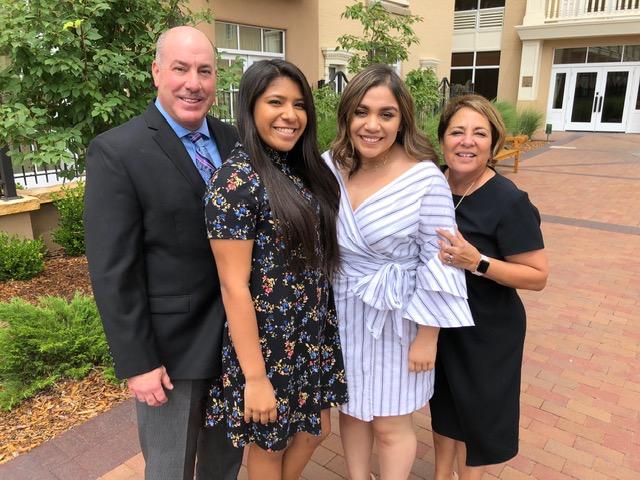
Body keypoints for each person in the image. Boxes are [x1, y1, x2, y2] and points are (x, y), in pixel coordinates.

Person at [84, 26, 243, 480]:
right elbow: (114, 270)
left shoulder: (233, 140)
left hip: (237, 343)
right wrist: (138, 363)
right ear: (157, 72)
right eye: (180, 68)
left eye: (204, 71)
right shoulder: (118, 151)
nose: (193, 82)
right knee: (170, 468)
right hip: (170, 355)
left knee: (224, 463)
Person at [322, 64, 474, 480]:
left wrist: (428, 336)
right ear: (347, 116)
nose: (372, 125)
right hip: (345, 308)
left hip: (401, 315)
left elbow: (440, 259)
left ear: (402, 119)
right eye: (361, 112)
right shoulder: (329, 167)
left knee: (391, 420)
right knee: (351, 410)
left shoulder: (425, 178)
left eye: (386, 114)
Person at [202, 59, 348, 480]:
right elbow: (233, 286)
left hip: (309, 333)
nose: (290, 115)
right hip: (267, 345)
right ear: (250, 107)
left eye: (299, 104)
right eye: (276, 102)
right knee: (270, 443)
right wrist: (256, 378)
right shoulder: (236, 182)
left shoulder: (299, 168)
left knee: (315, 429)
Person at [430, 94, 549, 480]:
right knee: (444, 407)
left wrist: (477, 261)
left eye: (479, 133)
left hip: (487, 329)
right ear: (443, 138)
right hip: (440, 322)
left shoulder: (508, 200)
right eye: (457, 131)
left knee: (476, 419)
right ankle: (440, 474)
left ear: (494, 142)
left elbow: (537, 276)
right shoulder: (432, 184)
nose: (467, 141)